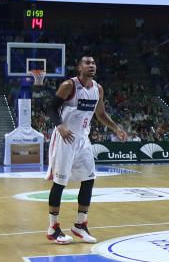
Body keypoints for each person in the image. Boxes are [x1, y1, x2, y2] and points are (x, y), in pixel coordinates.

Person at [45, 56, 128, 244]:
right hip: (65, 138)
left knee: (89, 179)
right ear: (79, 67)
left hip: (83, 139)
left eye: (93, 63)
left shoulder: (98, 89)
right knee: (60, 183)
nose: (92, 65)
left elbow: (100, 114)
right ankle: (53, 227)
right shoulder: (69, 85)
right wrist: (60, 126)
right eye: (87, 63)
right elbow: (51, 107)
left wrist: (116, 128)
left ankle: (80, 225)